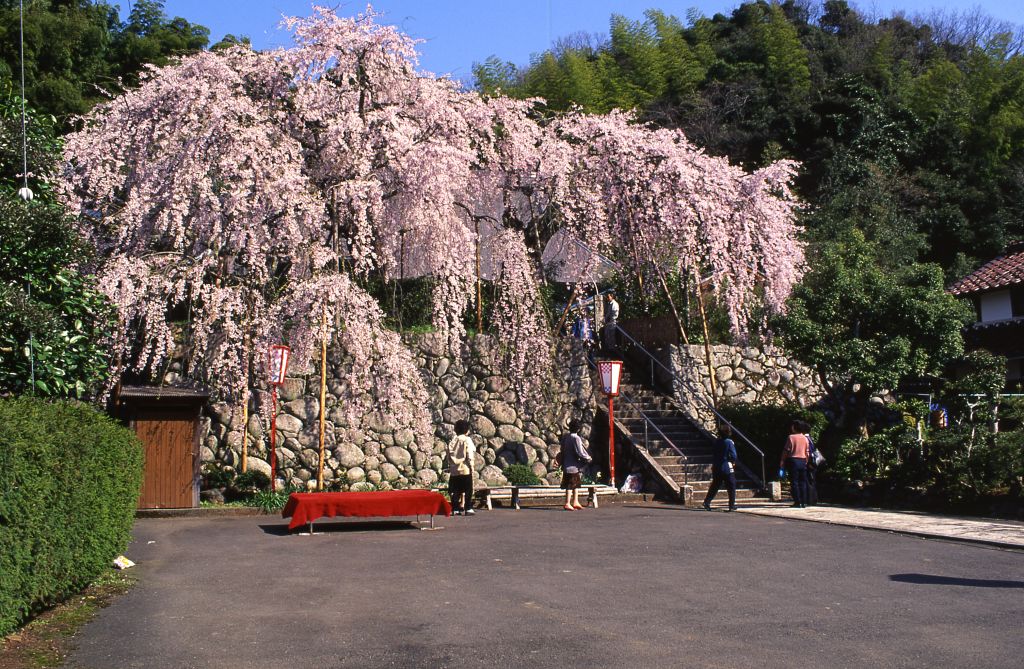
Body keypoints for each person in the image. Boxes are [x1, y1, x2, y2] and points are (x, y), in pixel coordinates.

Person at [702, 424, 738, 511]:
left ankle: (707, 501)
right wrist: (732, 461)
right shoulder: (729, 442)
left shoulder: (717, 442)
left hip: (716, 466)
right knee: (731, 485)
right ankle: (731, 505)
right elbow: (734, 455)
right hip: (726, 466)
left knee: (715, 485)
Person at [559, 419, 593, 510]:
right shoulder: (576, 438)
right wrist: (588, 457)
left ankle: (575, 501)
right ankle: (567, 503)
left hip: (566, 464)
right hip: (573, 465)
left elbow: (562, 449)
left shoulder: (566, 437)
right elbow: (580, 452)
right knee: (571, 484)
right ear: (578, 429)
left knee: (575, 484)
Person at [446, 419, 476, 516]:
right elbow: (469, 454)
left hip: (454, 469)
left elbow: (448, 454)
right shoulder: (467, 440)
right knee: (468, 490)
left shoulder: (452, 441)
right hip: (465, 468)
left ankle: (455, 508)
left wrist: (451, 465)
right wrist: (472, 466)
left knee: (456, 490)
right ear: (466, 430)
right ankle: (468, 508)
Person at [780, 420, 811, 508]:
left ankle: (797, 501)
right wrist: (806, 461)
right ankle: (804, 501)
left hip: (793, 460)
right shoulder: (805, 438)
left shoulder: (791, 437)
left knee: (794, 482)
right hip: (803, 460)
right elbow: (807, 452)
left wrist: (782, 461)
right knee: (803, 481)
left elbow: (786, 450)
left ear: (795, 427)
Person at [803, 421, 819, 506]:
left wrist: (807, 462)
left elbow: (808, 451)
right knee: (812, 480)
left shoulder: (805, 439)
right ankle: (813, 498)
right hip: (813, 461)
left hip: (809, 462)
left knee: (808, 480)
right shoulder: (810, 438)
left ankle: (809, 499)